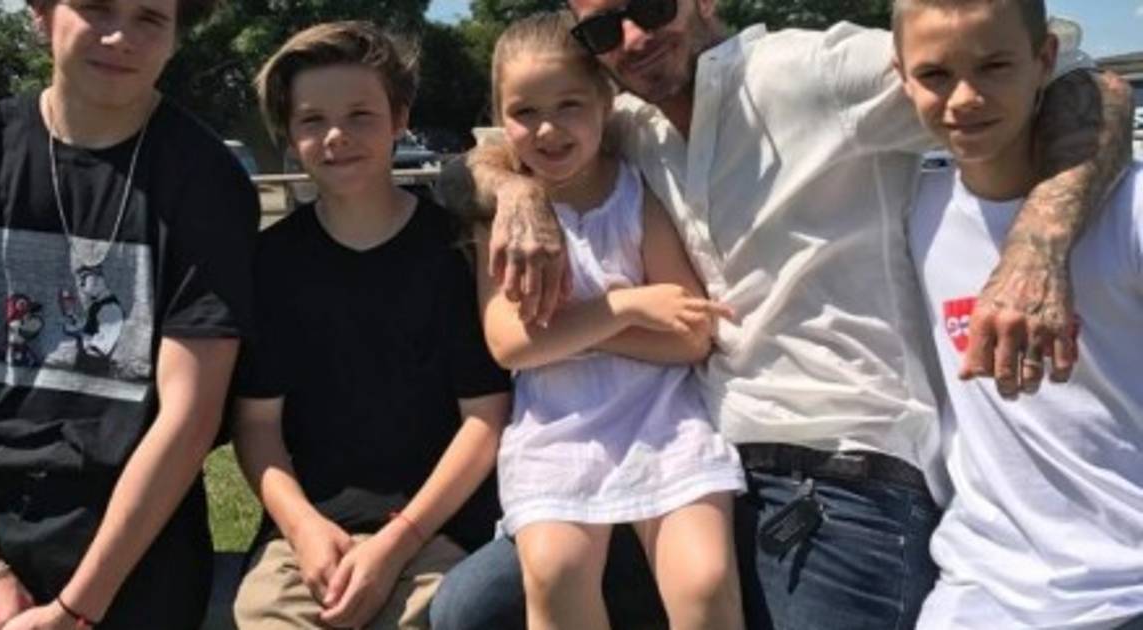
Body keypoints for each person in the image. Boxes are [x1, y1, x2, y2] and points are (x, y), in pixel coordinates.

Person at [430, 0, 1136, 627]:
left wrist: (1038, 245)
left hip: (840, 474)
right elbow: (478, 159)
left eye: (653, 6)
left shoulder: (811, 73)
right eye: (605, 28)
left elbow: (1084, 81)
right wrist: (517, 195)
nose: (635, 37)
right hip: (702, 459)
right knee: (472, 607)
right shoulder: (631, 126)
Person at [0, 0, 258, 628]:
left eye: (150, 18)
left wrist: (75, 611)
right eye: (96, 7)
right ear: (41, 14)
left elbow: (190, 417)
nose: (121, 37)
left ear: (175, 37)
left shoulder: (207, 180)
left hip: (131, 538)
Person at [230, 21, 511, 630]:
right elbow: (257, 424)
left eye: (360, 115)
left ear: (399, 118)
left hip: (437, 532)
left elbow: (485, 418)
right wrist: (303, 528)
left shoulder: (456, 251)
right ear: (289, 134)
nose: (337, 136)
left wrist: (398, 542)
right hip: (307, 538)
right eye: (312, 120)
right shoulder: (271, 262)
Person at [472, 13, 746, 630]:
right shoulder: (505, 218)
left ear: (605, 101)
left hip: (662, 420)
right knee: (555, 571)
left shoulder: (631, 192)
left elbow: (690, 337)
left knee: (704, 579)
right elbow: (511, 343)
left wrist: (566, 335)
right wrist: (624, 308)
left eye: (569, 104)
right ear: (500, 117)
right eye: (524, 112)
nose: (548, 128)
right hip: (558, 429)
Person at [893, 1, 1143, 628]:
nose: (965, 98)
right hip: (977, 589)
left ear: (1045, 60)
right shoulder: (911, 209)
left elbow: (1104, 91)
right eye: (935, 74)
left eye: (995, 66)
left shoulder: (1132, 208)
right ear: (901, 77)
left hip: (1128, 588)